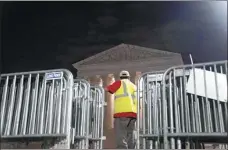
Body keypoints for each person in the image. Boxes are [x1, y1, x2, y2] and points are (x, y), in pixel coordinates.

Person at [105, 70, 137, 149]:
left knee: (120, 134)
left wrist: (104, 88)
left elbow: (109, 89)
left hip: (121, 113)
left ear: (120, 77)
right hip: (133, 114)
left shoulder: (120, 83)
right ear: (129, 77)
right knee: (131, 133)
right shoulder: (133, 85)